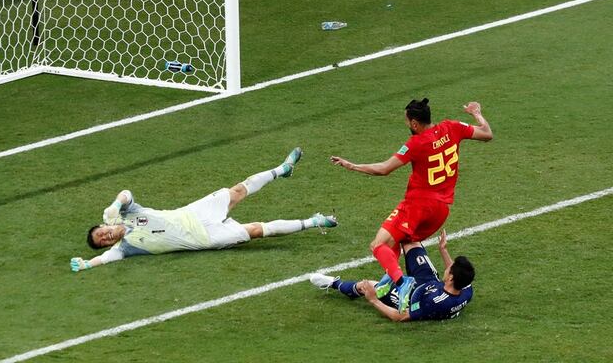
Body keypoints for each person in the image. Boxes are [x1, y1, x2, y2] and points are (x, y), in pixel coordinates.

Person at [330, 99, 492, 311]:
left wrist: (352, 166)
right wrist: (476, 113)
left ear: (415, 123)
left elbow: (384, 169)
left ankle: (401, 281)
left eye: (407, 121)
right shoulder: (452, 127)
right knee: (402, 239)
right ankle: (390, 276)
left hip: (418, 206)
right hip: (440, 211)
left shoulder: (416, 144)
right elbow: (487, 133)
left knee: (378, 245)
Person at [71, 148, 338, 272]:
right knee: (257, 230)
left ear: (103, 226)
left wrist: (115, 204)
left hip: (194, 213)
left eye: (101, 232)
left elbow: (126, 194)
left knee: (237, 191)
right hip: (203, 239)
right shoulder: (125, 248)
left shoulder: (123, 213)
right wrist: (85, 264)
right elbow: (104, 260)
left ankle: (282, 170)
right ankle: (313, 221)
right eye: (102, 241)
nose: (106, 236)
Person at [310, 229, 474, 322]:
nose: (448, 267)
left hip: (411, 296)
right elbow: (455, 272)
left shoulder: (434, 303)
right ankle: (392, 261)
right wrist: (443, 250)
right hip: (429, 281)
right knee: (409, 238)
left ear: (451, 278)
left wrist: (373, 299)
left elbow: (400, 316)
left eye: (450, 269)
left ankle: (335, 284)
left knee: (367, 286)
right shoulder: (466, 289)